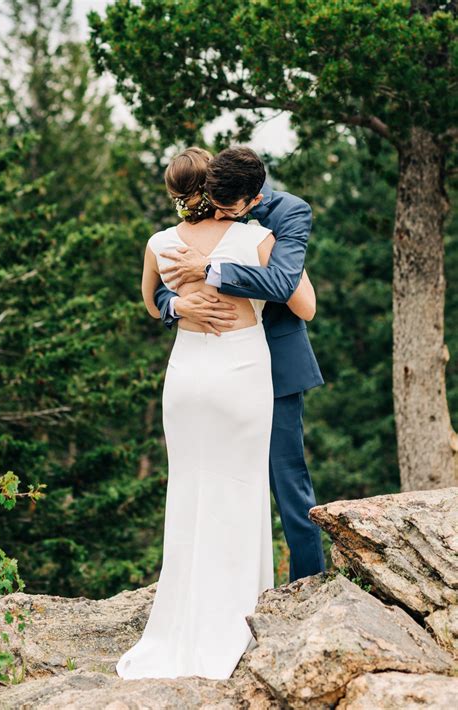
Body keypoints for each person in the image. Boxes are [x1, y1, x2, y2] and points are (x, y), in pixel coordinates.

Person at [116, 147, 317, 680]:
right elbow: (303, 302)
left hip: (186, 375)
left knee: (190, 486)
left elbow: (150, 297)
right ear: (216, 192)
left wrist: (192, 288)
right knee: (246, 486)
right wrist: (185, 299)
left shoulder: (161, 242)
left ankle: (184, 614)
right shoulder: (254, 238)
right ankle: (243, 610)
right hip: (242, 370)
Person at [154, 146, 326, 583]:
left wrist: (214, 265)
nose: (219, 211)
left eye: (228, 205)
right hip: (212, 360)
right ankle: (217, 585)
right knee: (215, 478)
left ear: (250, 198)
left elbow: (298, 296)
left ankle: (308, 585)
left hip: (275, 359)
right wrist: (178, 305)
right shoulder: (198, 218)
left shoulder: (286, 213)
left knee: (287, 481)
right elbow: (160, 289)